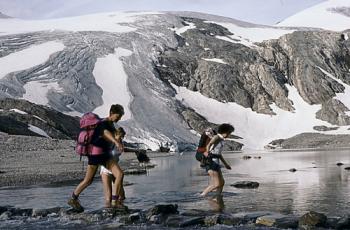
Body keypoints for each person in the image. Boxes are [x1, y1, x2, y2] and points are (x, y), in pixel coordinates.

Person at [68, 104, 125, 211]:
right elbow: (105, 133)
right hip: (97, 154)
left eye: (121, 116)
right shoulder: (104, 123)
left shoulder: (110, 124)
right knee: (89, 180)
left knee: (118, 175)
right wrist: (116, 141)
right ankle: (73, 198)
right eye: (118, 115)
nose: (120, 118)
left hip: (101, 155)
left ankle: (114, 201)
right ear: (112, 113)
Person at [199, 123, 234, 197]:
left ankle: (217, 197)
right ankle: (202, 195)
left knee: (222, 182)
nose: (229, 135)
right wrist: (208, 154)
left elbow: (219, 154)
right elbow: (209, 145)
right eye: (229, 133)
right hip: (212, 162)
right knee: (217, 184)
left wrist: (226, 164)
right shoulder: (216, 137)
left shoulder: (220, 139)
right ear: (225, 132)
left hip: (216, 162)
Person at [100, 127, 126, 208]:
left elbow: (124, 150)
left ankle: (120, 210)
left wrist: (136, 151)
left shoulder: (120, 143)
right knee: (108, 198)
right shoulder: (110, 142)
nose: (121, 138)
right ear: (115, 134)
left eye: (123, 136)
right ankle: (108, 216)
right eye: (120, 136)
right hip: (106, 169)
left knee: (122, 196)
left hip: (115, 169)